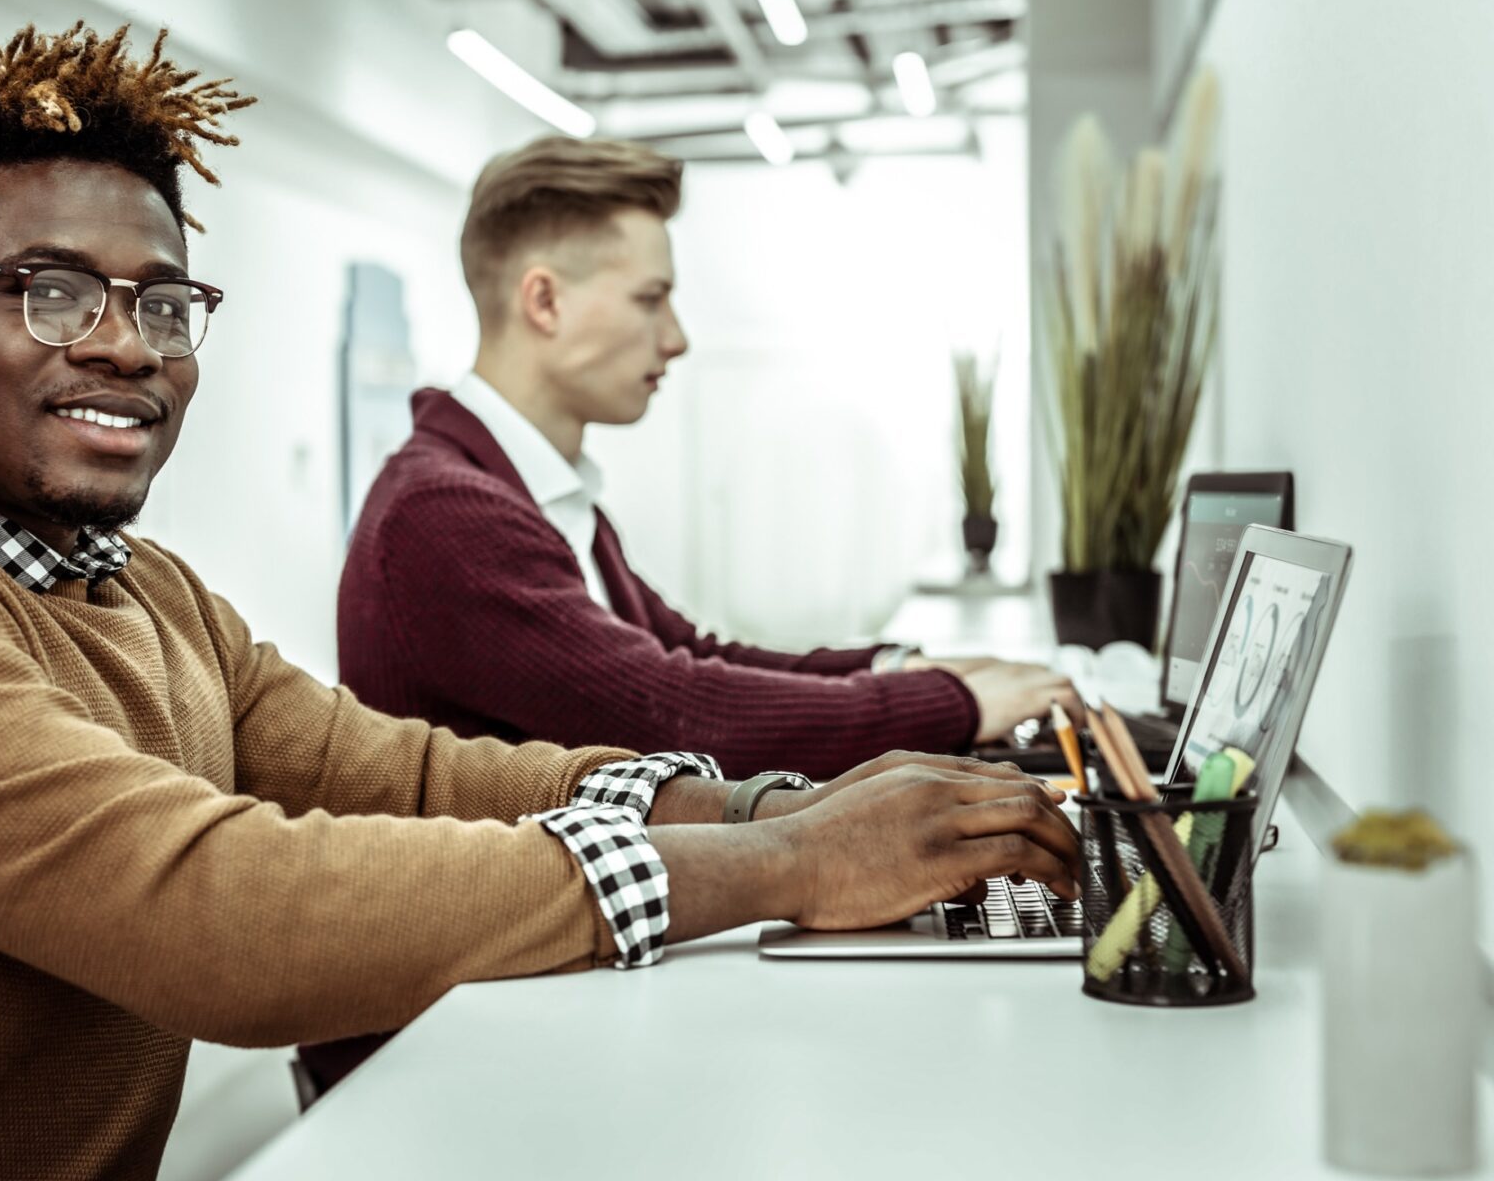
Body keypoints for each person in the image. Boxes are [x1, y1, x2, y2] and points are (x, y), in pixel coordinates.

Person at [0, 24, 1080, 1181]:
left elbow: (408, 776)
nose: (127, 343)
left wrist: (773, 806)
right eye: (51, 293)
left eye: (164, 302)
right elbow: (209, 908)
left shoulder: (138, 590)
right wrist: (786, 863)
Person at [339, 135, 1078, 777]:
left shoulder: (532, 495)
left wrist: (899, 670)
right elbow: (669, 711)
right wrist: (951, 703)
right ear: (545, 302)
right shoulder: (443, 512)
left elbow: (687, 652)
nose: (677, 337)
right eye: (650, 298)